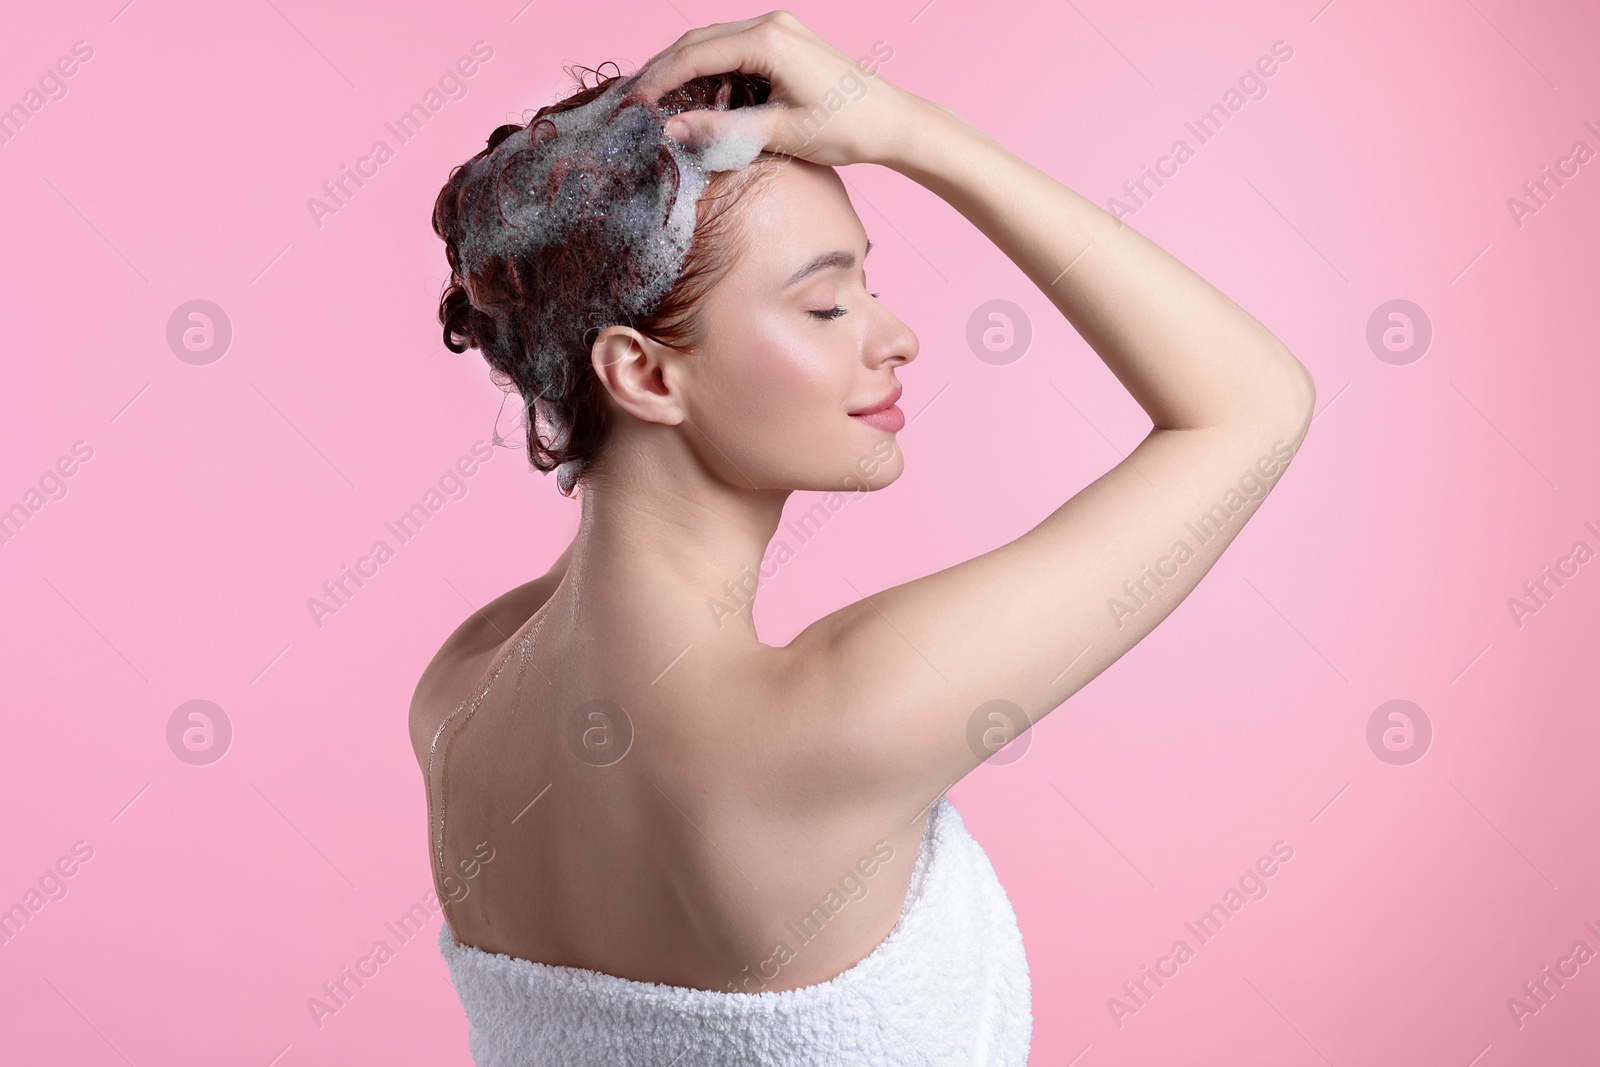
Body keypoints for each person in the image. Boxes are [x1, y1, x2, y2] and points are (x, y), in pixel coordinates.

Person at [411, 11, 1315, 1064]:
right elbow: (1252, 405)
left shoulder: (456, 697)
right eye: (829, 303)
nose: (896, 337)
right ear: (646, 374)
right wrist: (907, 130)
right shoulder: (835, 720)